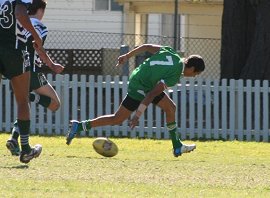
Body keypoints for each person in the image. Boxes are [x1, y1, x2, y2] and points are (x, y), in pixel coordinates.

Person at [66, 44, 205, 157]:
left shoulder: (171, 52)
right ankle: (79, 126)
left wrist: (127, 56)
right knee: (118, 119)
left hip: (140, 77)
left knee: (170, 107)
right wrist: (137, 116)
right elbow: (150, 95)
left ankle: (177, 146)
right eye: (196, 74)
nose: (194, 77)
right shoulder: (174, 76)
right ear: (192, 68)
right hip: (140, 85)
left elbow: (145, 46)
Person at [1, 0, 63, 163]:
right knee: (36, 103)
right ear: (41, 10)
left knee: (24, 101)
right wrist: (36, 37)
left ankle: (14, 138)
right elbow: (22, 16)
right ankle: (26, 149)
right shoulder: (38, 24)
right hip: (19, 58)